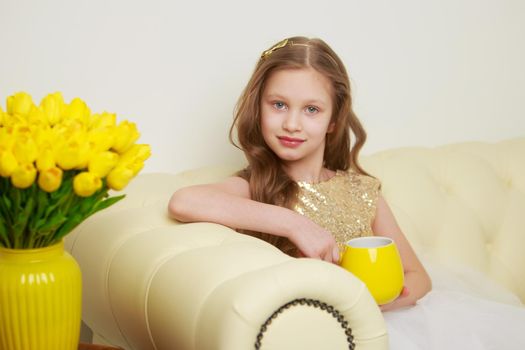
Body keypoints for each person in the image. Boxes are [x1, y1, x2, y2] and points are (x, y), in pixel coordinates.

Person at [168, 36, 431, 311]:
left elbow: (419, 277)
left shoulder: (362, 191)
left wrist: (365, 308)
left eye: (311, 109)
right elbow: (183, 202)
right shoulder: (253, 188)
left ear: (334, 119)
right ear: (258, 108)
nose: (292, 124)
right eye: (279, 105)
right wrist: (293, 223)